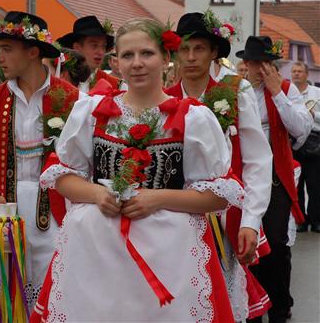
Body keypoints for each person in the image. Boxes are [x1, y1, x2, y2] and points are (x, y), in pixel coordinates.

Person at [32, 18, 241, 322]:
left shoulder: (194, 118)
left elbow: (218, 196)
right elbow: (62, 177)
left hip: (170, 252)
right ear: (116, 62)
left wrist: (157, 198)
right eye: (128, 55)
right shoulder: (91, 111)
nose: (137, 63)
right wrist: (97, 193)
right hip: (97, 249)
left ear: (166, 59)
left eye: (147, 53)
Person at [0, 11, 79, 316]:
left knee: (56, 300)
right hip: (7, 218)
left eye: (7, 49)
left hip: (57, 219)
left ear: (33, 52)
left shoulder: (74, 100)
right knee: (9, 304)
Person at [166, 11, 272, 320]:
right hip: (173, 218)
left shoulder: (235, 92)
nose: (190, 57)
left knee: (221, 299)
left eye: (199, 49)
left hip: (223, 218)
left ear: (214, 52)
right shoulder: (165, 99)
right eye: (184, 49)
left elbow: (257, 160)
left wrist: (251, 220)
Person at [237, 36, 312, 323]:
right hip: (242, 175)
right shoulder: (235, 90)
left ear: (271, 65)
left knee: (277, 245)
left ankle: (280, 307)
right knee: (248, 244)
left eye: (264, 63)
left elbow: (300, 130)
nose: (258, 68)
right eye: (254, 62)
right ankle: (253, 307)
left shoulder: (285, 89)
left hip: (276, 176)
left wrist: (276, 93)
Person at [57, 15, 124, 93]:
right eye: (94, 45)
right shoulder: (60, 78)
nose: (101, 52)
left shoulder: (117, 86)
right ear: (77, 48)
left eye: (103, 46)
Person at [290, 61, 320, 233]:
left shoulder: (317, 93)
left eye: (300, 71)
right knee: (297, 183)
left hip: (314, 141)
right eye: (294, 71)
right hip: (295, 141)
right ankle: (301, 219)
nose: (296, 74)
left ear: (307, 74)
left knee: (315, 184)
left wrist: (313, 115)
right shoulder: (288, 93)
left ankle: (316, 220)